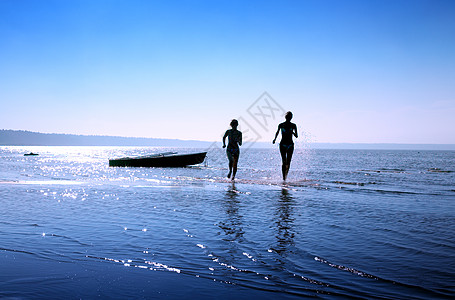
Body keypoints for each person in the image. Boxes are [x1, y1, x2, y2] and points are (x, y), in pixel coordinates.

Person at [273, 111, 298, 181]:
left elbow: (296, 136)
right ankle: (284, 177)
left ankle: (286, 176)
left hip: (290, 144)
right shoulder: (281, 125)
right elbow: (277, 132)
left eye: (290, 117)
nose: (289, 118)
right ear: (285, 117)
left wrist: (292, 132)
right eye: (288, 117)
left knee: (288, 162)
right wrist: (274, 139)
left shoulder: (293, 125)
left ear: (291, 118)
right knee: (284, 161)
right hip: (282, 144)